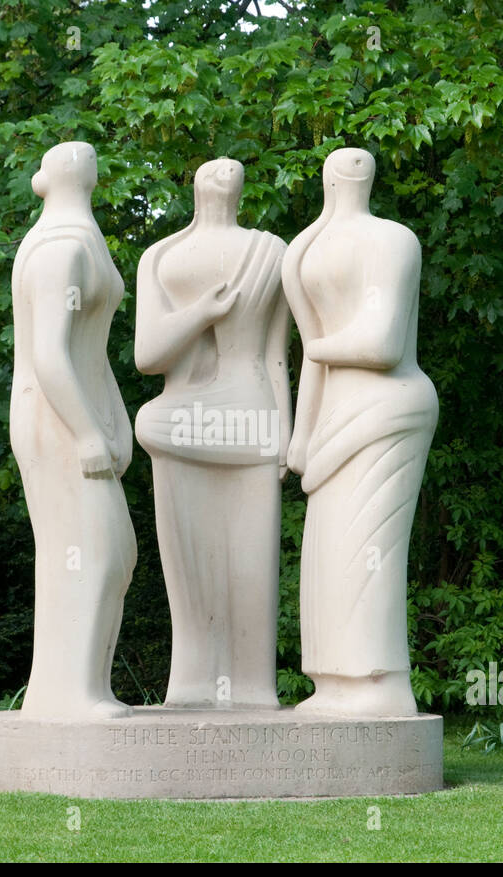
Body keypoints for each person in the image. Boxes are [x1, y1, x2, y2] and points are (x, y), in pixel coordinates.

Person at [284, 148, 438, 717]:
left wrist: (318, 350)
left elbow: (381, 345)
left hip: (388, 410)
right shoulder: (308, 248)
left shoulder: (392, 240)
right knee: (330, 554)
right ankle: (336, 683)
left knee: (369, 552)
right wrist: (301, 437)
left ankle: (381, 687)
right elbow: (312, 362)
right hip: (334, 421)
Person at [135, 157, 291, 709]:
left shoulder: (272, 251)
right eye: (211, 168)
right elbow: (148, 356)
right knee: (190, 567)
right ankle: (193, 684)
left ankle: (252, 686)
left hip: (249, 415)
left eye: (232, 169)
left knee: (251, 563)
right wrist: (202, 310)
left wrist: (284, 436)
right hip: (186, 415)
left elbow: (276, 354)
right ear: (194, 183)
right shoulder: (161, 257)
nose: (223, 172)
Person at [10, 141, 135, 718]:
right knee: (90, 551)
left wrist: (116, 423)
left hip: (80, 410)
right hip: (53, 415)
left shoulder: (82, 240)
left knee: (110, 551)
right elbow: (50, 358)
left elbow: (94, 357)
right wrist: (88, 431)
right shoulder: (58, 248)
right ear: (66, 173)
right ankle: (65, 694)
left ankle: (78, 689)